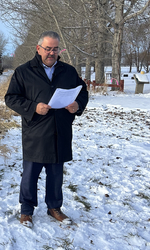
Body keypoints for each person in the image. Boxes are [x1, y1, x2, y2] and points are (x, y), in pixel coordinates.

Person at [5, 31, 88, 225]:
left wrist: (78, 105)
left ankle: (54, 208)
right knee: (30, 174)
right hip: (36, 131)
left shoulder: (68, 71)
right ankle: (26, 210)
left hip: (61, 130)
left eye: (55, 49)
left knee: (56, 173)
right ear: (38, 48)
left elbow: (82, 91)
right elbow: (11, 98)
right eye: (48, 48)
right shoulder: (24, 71)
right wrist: (33, 107)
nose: (52, 53)